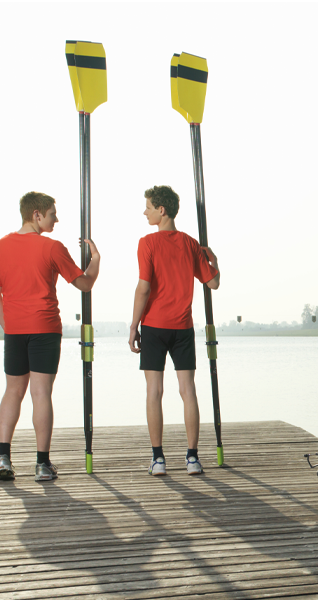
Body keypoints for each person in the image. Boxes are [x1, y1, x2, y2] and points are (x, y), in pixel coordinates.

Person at [0, 191, 100, 481]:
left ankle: (3, 457)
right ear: (36, 215)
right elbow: (84, 284)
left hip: (15, 331)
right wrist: (96, 259)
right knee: (41, 394)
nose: (56, 218)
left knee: (13, 391)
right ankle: (42, 464)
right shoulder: (52, 248)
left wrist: (8, 324)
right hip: (45, 329)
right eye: (52, 213)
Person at [128, 185, 220, 476]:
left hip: (154, 326)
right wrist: (214, 264)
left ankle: (158, 460)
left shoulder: (147, 243)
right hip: (182, 328)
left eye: (148, 207)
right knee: (187, 391)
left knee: (154, 392)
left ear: (161, 210)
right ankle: (192, 458)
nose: (145, 211)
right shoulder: (191, 244)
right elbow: (213, 283)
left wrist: (133, 325)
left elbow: (143, 288)